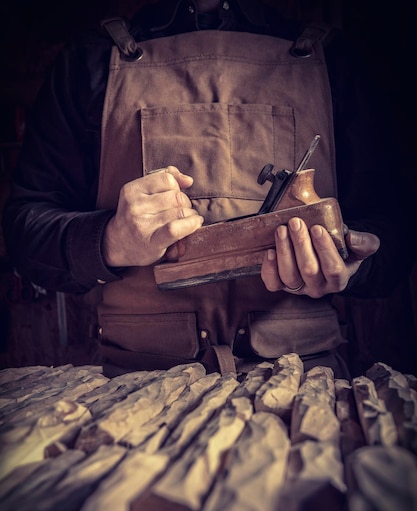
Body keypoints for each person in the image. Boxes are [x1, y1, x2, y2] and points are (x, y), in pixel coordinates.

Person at [2, 0, 415, 377]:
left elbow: (393, 233)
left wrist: (348, 262)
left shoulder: (328, 58)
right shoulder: (92, 59)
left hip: (300, 380)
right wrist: (109, 241)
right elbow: (26, 227)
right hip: (139, 384)